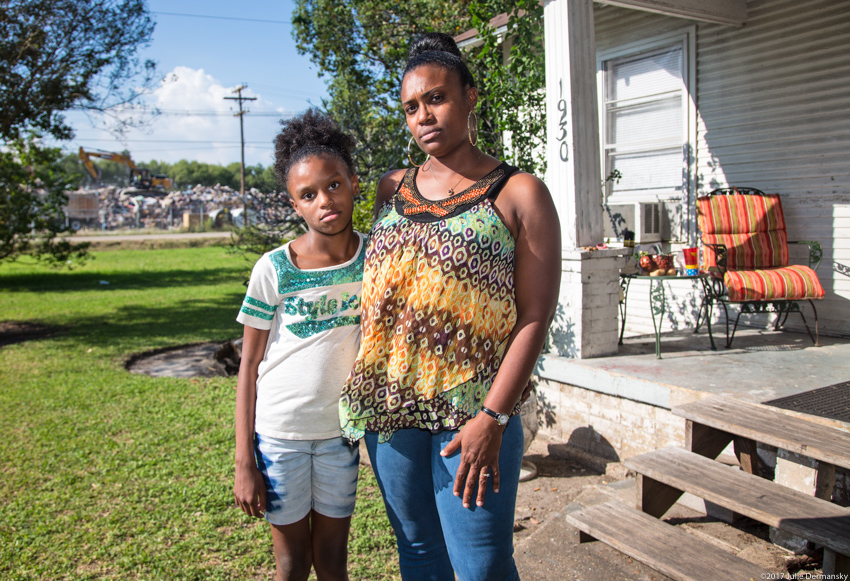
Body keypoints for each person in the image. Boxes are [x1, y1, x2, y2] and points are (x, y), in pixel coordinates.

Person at [339, 32, 561, 581]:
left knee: (481, 567)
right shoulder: (393, 187)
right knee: (417, 554)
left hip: (473, 414)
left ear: (470, 96)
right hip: (389, 409)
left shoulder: (518, 192)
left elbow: (536, 314)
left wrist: (494, 417)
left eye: (436, 98)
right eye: (411, 107)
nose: (423, 116)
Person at [233, 109, 365, 581]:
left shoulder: (376, 258)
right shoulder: (273, 268)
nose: (324, 200)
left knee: (332, 562)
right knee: (290, 567)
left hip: (338, 436)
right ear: (295, 205)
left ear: (352, 182)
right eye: (308, 194)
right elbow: (248, 366)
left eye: (333, 184)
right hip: (279, 437)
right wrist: (244, 460)